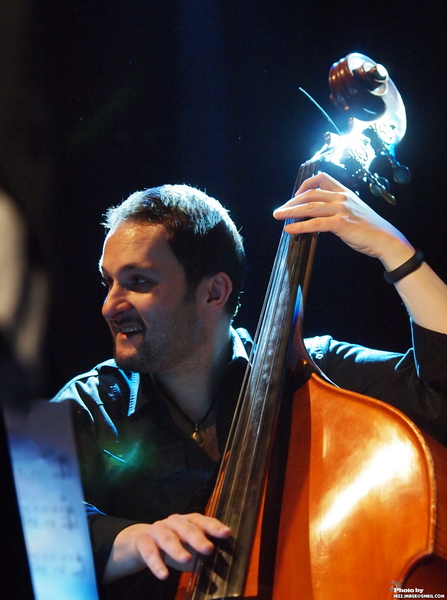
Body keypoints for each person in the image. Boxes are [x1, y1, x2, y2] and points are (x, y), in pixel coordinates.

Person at [53, 172, 447, 600]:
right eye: (108, 281)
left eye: (138, 282)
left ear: (213, 292)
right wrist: (131, 539)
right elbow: (26, 528)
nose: (110, 304)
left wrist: (396, 251)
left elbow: (440, 396)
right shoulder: (84, 402)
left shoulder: (313, 372)